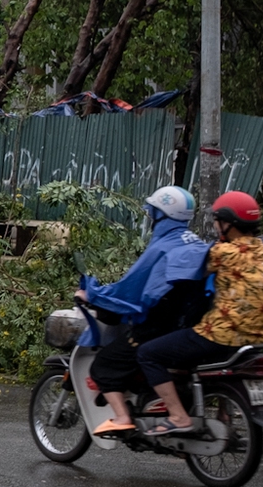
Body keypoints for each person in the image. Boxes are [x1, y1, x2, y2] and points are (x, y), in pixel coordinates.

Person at [135, 191, 263, 436]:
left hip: (218, 337)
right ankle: (222, 414)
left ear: (228, 223)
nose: (217, 226)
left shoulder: (223, 253)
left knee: (148, 353)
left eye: (218, 220)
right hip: (256, 342)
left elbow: (187, 272)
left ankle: (178, 416)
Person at [75, 186, 211, 437]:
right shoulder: (195, 243)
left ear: (161, 215)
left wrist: (91, 294)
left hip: (157, 328)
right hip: (188, 327)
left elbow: (130, 291)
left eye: (153, 213)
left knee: (104, 366)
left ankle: (122, 417)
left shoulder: (162, 248)